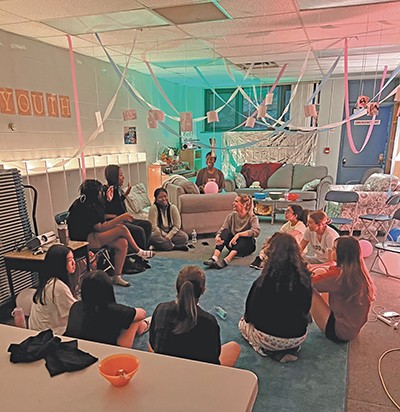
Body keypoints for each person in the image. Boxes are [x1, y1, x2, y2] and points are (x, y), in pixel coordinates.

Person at [239, 232, 312, 363]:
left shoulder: (263, 281)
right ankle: (288, 348)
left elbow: (250, 315)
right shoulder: (305, 279)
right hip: (298, 337)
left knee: (242, 324)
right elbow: (307, 309)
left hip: (269, 338)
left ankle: (269, 350)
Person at [67, 179, 155, 288]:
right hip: (83, 240)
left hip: (92, 235)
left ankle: (117, 276)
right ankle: (139, 251)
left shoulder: (87, 202)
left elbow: (99, 221)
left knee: (122, 243)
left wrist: (115, 217)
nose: (102, 193)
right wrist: (120, 218)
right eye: (100, 191)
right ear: (95, 193)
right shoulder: (87, 206)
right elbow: (100, 228)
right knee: (121, 229)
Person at [149, 265, 240, 366]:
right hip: (197, 376)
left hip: (165, 369)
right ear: (203, 290)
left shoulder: (161, 309)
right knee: (234, 347)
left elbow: (153, 344)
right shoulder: (209, 322)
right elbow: (213, 358)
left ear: (177, 287)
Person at [311, 236, 375, 342]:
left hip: (339, 332)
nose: (330, 250)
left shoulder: (338, 276)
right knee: (320, 271)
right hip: (351, 329)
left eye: (334, 248)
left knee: (308, 289)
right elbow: (328, 271)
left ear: (342, 254)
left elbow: (306, 282)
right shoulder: (357, 272)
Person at [65, 270, 150, 347]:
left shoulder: (76, 306)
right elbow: (142, 313)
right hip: (107, 349)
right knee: (133, 319)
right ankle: (143, 325)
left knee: (129, 316)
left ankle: (141, 325)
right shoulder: (113, 310)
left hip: (77, 346)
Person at [104, 164, 152, 271]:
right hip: (115, 223)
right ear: (113, 177)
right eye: (120, 175)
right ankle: (135, 257)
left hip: (124, 219)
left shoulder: (116, 190)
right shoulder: (106, 191)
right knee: (139, 231)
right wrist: (118, 217)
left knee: (147, 225)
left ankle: (140, 258)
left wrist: (125, 195)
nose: (123, 177)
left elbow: (117, 204)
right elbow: (104, 213)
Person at [29, 244, 77, 335]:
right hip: (48, 334)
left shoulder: (48, 281)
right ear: (60, 264)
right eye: (70, 260)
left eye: (73, 258)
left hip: (39, 331)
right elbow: (75, 311)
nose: (74, 263)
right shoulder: (57, 286)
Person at [204, 194, 260, 269]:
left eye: (236, 201)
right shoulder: (231, 216)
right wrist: (217, 237)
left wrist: (239, 234)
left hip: (247, 247)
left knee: (245, 237)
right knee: (225, 231)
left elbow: (256, 231)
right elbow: (223, 229)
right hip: (232, 244)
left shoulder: (252, 217)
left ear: (243, 205)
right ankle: (214, 258)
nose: (233, 203)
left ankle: (226, 260)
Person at [250, 204, 308, 270]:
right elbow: (279, 235)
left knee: (277, 244)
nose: (285, 213)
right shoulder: (286, 225)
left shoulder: (301, 225)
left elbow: (288, 236)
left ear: (295, 215)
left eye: (288, 212)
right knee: (269, 240)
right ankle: (261, 257)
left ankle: (266, 260)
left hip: (296, 249)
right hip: (287, 245)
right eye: (286, 211)